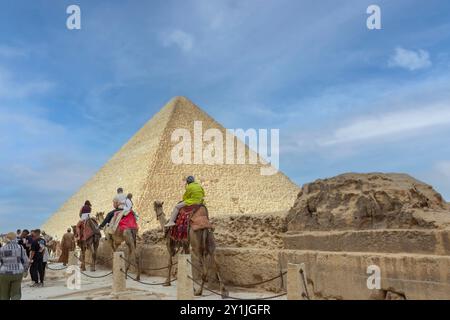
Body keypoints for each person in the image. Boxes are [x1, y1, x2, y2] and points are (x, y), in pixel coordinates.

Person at [0, 232, 29, 300]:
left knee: (3, 294)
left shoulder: (1, 249)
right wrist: (25, 270)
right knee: (16, 294)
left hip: (4, 274)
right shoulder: (21, 248)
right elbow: (25, 261)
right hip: (18, 273)